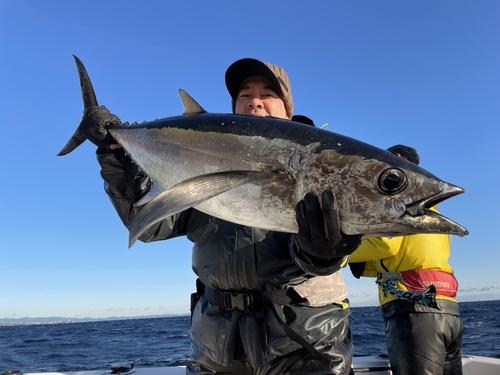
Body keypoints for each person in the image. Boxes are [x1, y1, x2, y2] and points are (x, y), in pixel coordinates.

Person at [87, 58, 362, 374]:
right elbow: (150, 223)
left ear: (288, 110)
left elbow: (327, 248)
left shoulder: (323, 164)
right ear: (234, 109)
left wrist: (321, 251)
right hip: (216, 343)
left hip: (305, 340)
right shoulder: (200, 165)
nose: (254, 101)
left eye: (268, 94)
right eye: (244, 94)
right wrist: (115, 158)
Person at [349, 144, 464, 375]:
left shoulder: (394, 198)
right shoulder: (432, 207)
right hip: (448, 307)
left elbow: (385, 244)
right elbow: (410, 256)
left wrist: (339, 252)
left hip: (412, 307)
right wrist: (365, 266)